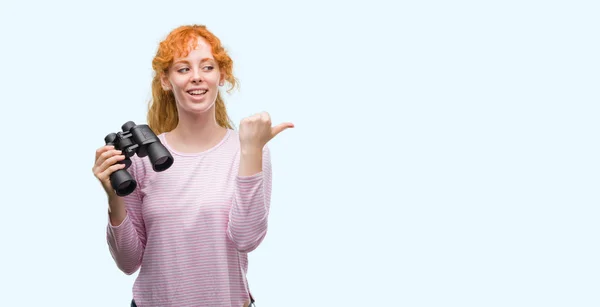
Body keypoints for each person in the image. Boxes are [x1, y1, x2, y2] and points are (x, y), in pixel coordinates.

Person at [92, 24, 293, 307]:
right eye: (183, 69)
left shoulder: (248, 148)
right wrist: (114, 195)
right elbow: (128, 262)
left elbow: (246, 239)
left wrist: (251, 150)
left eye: (207, 67)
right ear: (166, 80)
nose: (196, 77)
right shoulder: (142, 160)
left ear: (221, 76)